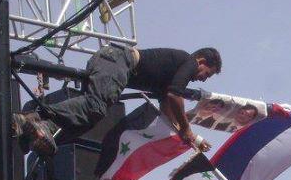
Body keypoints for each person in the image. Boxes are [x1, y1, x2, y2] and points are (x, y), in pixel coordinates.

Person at [13, 46, 222, 157]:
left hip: (112, 63)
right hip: (117, 60)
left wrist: (192, 138)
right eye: (207, 74)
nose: (203, 79)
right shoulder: (188, 61)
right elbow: (175, 96)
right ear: (201, 61)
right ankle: (34, 117)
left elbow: (168, 108)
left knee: (87, 121)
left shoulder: (171, 76)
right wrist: (186, 129)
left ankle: (37, 130)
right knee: (95, 107)